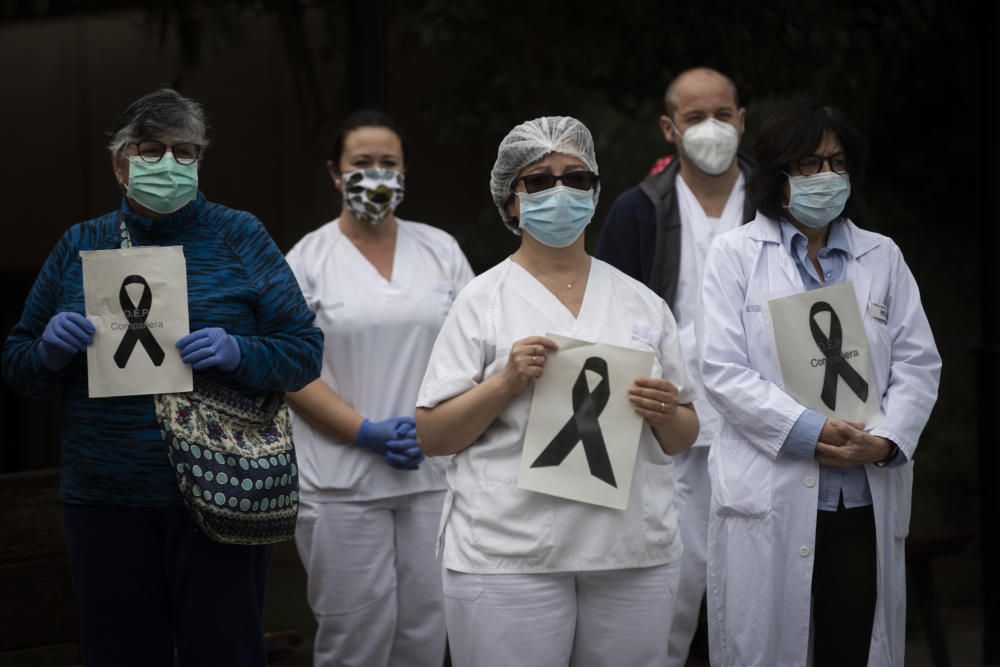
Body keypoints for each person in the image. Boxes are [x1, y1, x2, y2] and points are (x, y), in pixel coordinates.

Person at [2, 88, 323, 666]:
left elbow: (303, 353)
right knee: (118, 652)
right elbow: (18, 366)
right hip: (106, 500)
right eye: (152, 150)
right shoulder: (80, 244)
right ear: (120, 162)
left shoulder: (240, 236)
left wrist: (239, 353)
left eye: (185, 151)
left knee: (224, 651)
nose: (170, 164)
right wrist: (47, 351)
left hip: (223, 492)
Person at [415, 116, 699, 667]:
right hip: (510, 553)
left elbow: (683, 433)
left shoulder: (642, 304)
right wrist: (506, 382)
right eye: (539, 180)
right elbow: (433, 434)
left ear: (595, 194)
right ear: (511, 201)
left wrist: (665, 411)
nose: (560, 191)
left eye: (576, 177)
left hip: (630, 552)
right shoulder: (482, 300)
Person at [699, 100, 941, 666]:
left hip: (859, 495)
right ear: (777, 174)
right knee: (767, 646)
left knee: (850, 646)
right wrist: (810, 430)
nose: (825, 178)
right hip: (773, 489)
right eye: (808, 165)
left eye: (837, 163)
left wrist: (884, 442)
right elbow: (722, 370)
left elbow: (918, 364)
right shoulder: (733, 257)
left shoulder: (882, 257)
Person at [284, 109, 473, 667]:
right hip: (340, 481)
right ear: (335, 174)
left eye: (388, 163)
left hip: (431, 476)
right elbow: (291, 369)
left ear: (405, 170)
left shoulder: (441, 250)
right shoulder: (307, 261)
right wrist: (362, 431)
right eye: (361, 163)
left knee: (424, 634)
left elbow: (474, 348)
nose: (376, 174)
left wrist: (441, 426)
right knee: (354, 640)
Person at [594, 66, 754, 666]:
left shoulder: (775, 203)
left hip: (766, 427)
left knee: (763, 595)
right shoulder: (639, 210)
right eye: (694, 117)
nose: (711, 128)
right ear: (669, 128)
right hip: (672, 431)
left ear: (742, 119)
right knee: (670, 596)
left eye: (722, 114)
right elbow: (608, 317)